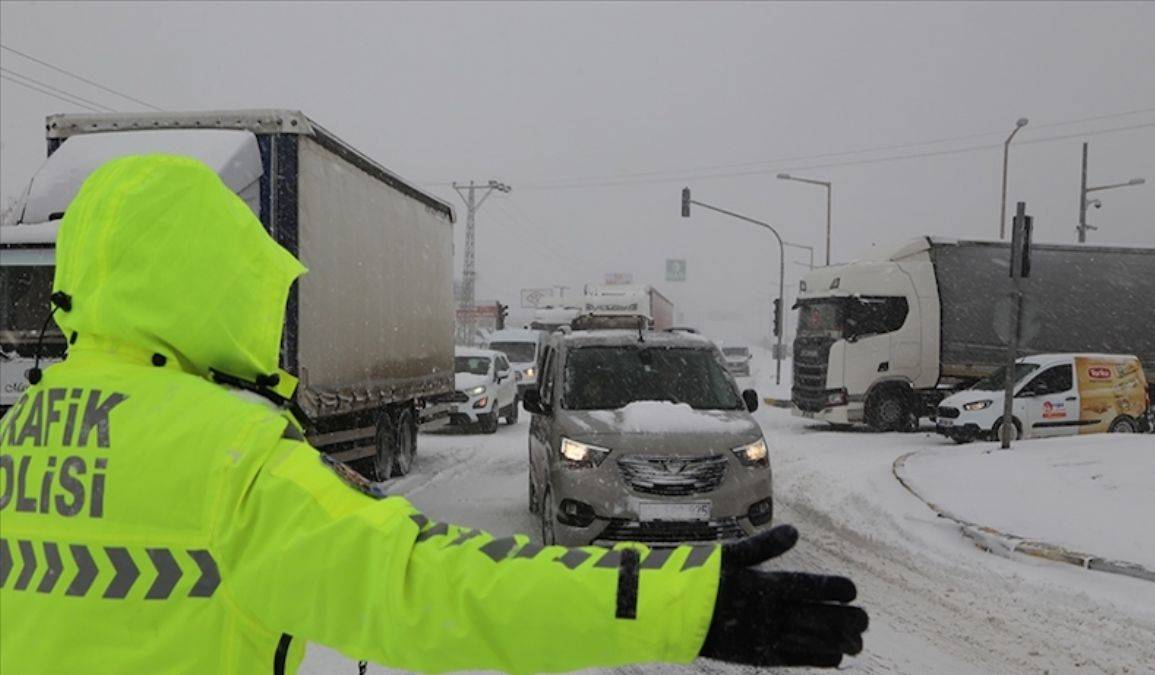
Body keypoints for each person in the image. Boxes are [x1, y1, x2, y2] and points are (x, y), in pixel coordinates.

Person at [0, 155, 867, 673]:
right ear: (211, 287)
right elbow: (432, 584)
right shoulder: (231, 458)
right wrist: (686, 605)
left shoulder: (14, 438)